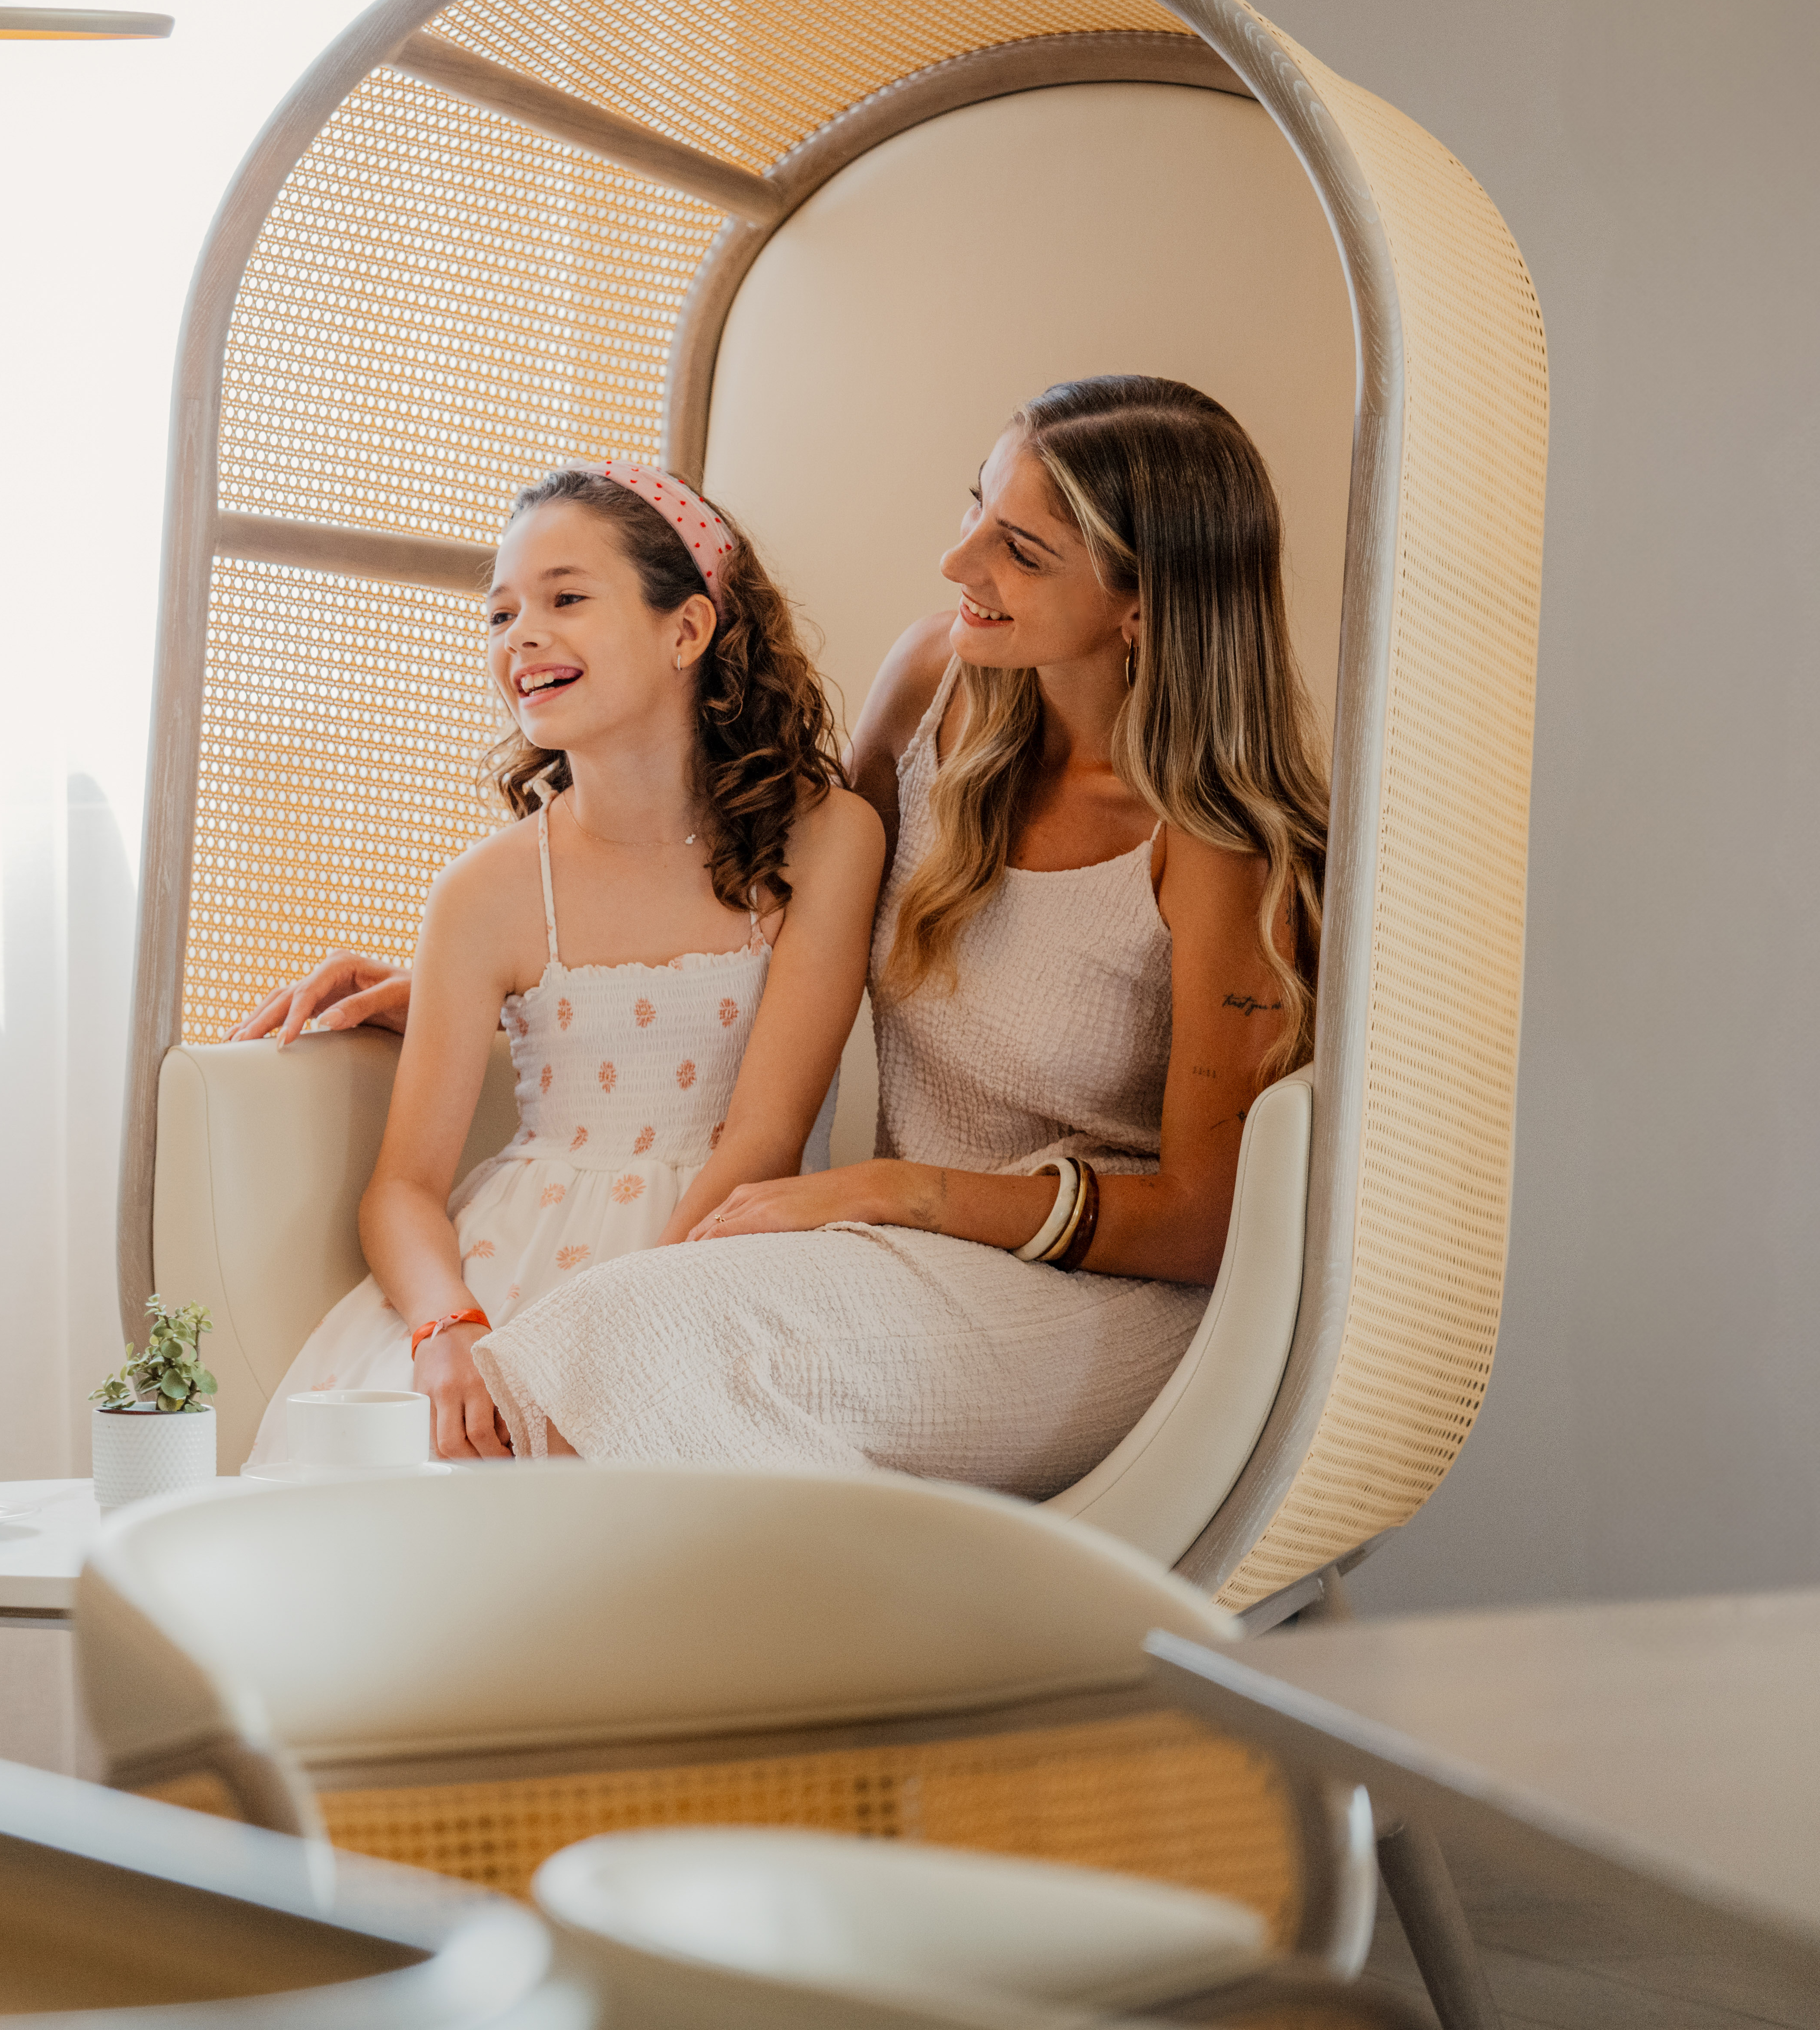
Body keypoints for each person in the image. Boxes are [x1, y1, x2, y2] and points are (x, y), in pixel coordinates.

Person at [241, 378, 1327, 1489]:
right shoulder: (936, 685)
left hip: (1095, 1297)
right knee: (610, 1369)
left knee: (636, 1354)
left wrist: (895, 1188)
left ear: (1143, 604)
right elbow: (779, 897)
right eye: (973, 511)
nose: (960, 566)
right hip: (896, 1257)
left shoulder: (1217, 846)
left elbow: (1203, 1221)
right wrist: (501, 980)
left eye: (1023, 550)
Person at [250, 462, 883, 1465]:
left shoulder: (828, 840)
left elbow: (764, 1139)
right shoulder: (483, 891)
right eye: (501, 615)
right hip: (511, 1272)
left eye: (566, 598)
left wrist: (613, 1345)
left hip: (717, 1263)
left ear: (688, 630)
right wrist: (446, 1331)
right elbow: (404, 1187)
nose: (521, 637)